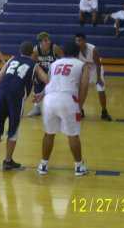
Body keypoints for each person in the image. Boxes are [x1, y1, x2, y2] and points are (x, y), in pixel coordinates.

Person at [0, 41, 49, 171]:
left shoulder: (12, 59)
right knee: (13, 130)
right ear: (33, 53)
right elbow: (46, 80)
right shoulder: (34, 65)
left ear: (20, 51)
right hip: (16, 96)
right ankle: (8, 161)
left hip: (1, 93)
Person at [35, 42, 90, 176]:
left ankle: (43, 165)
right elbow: (84, 87)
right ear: (78, 54)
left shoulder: (54, 64)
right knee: (73, 135)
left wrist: (42, 94)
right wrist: (80, 105)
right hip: (68, 99)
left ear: (64, 53)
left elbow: (49, 81)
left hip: (49, 100)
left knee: (49, 134)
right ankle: (78, 166)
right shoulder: (82, 65)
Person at [74, 33, 112, 121]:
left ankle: (104, 111)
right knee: (81, 90)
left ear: (84, 41)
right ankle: (80, 110)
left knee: (100, 89)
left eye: (79, 41)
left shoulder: (93, 49)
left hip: (96, 69)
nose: (77, 43)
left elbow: (98, 64)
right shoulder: (75, 50)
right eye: (76, 41)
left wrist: (98, 78)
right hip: (85, 69)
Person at [27, 32, 64, 117]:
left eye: (49, 40)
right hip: (42, 72)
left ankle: (56, 108)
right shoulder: (36, 50)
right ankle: (37, 108)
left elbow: (63, 58)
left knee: (55, 90)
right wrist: (34, 76)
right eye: (45, 41)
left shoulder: (54, 48)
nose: (48, 42)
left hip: (53, 72)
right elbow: (32, 64)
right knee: (37, 84)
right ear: (40, 42)